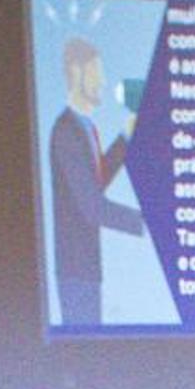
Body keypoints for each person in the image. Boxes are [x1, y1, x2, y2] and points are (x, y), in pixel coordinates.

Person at [49, 35, 144, 326]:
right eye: (95, 73)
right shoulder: (66, 131)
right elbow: (92, 206)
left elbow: (95, 182)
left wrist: (126, 137)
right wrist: (147, 222)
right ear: (76, 73)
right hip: (76, 271)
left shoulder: (85, 127)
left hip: (87, 269)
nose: (102, 82)